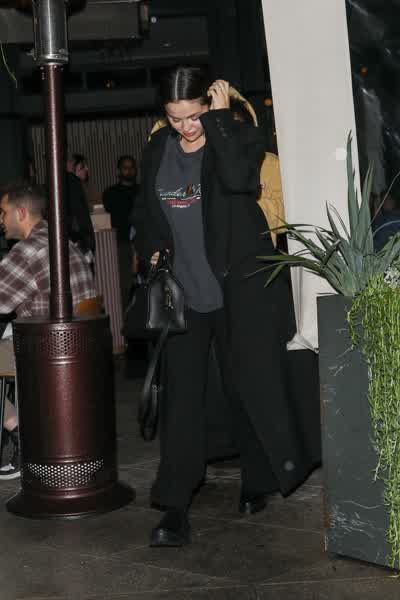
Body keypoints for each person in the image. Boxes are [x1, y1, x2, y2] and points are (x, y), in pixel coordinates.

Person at [132, 65, 316, 547]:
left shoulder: (238, 136)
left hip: (240, 291)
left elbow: (238, 180)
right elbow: (144, 212)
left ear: (208, 105)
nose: (185, 127)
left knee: (246, 387)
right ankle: (174, 505)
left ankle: (257, 479)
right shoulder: (158, 148)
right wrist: (151, 248)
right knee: (183, 400)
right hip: (184, 295)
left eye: (193, 115)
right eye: (175, 118)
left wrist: (218, 119)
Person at [0, 182, 96, 480]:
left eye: (3, 212)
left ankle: (21, 433)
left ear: (20, 213)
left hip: (46, 351)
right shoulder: (61, 240)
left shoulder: (27, 250)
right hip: (78, 346)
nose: (1, 220)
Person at [103, 155, 138, 307]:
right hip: (121, 244)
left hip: (142, 242)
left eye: (132, 167)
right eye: (125, 168)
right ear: (119, 171)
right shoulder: (111, 193)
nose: (129, 171)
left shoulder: (142, 191)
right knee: (124, 285)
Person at [66, 153, 96, 263]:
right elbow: (79, 215)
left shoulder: (75, 185)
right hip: (79, 241)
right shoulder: (73, 183)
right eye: (82, 167)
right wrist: (86, 242)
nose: (87, 169)